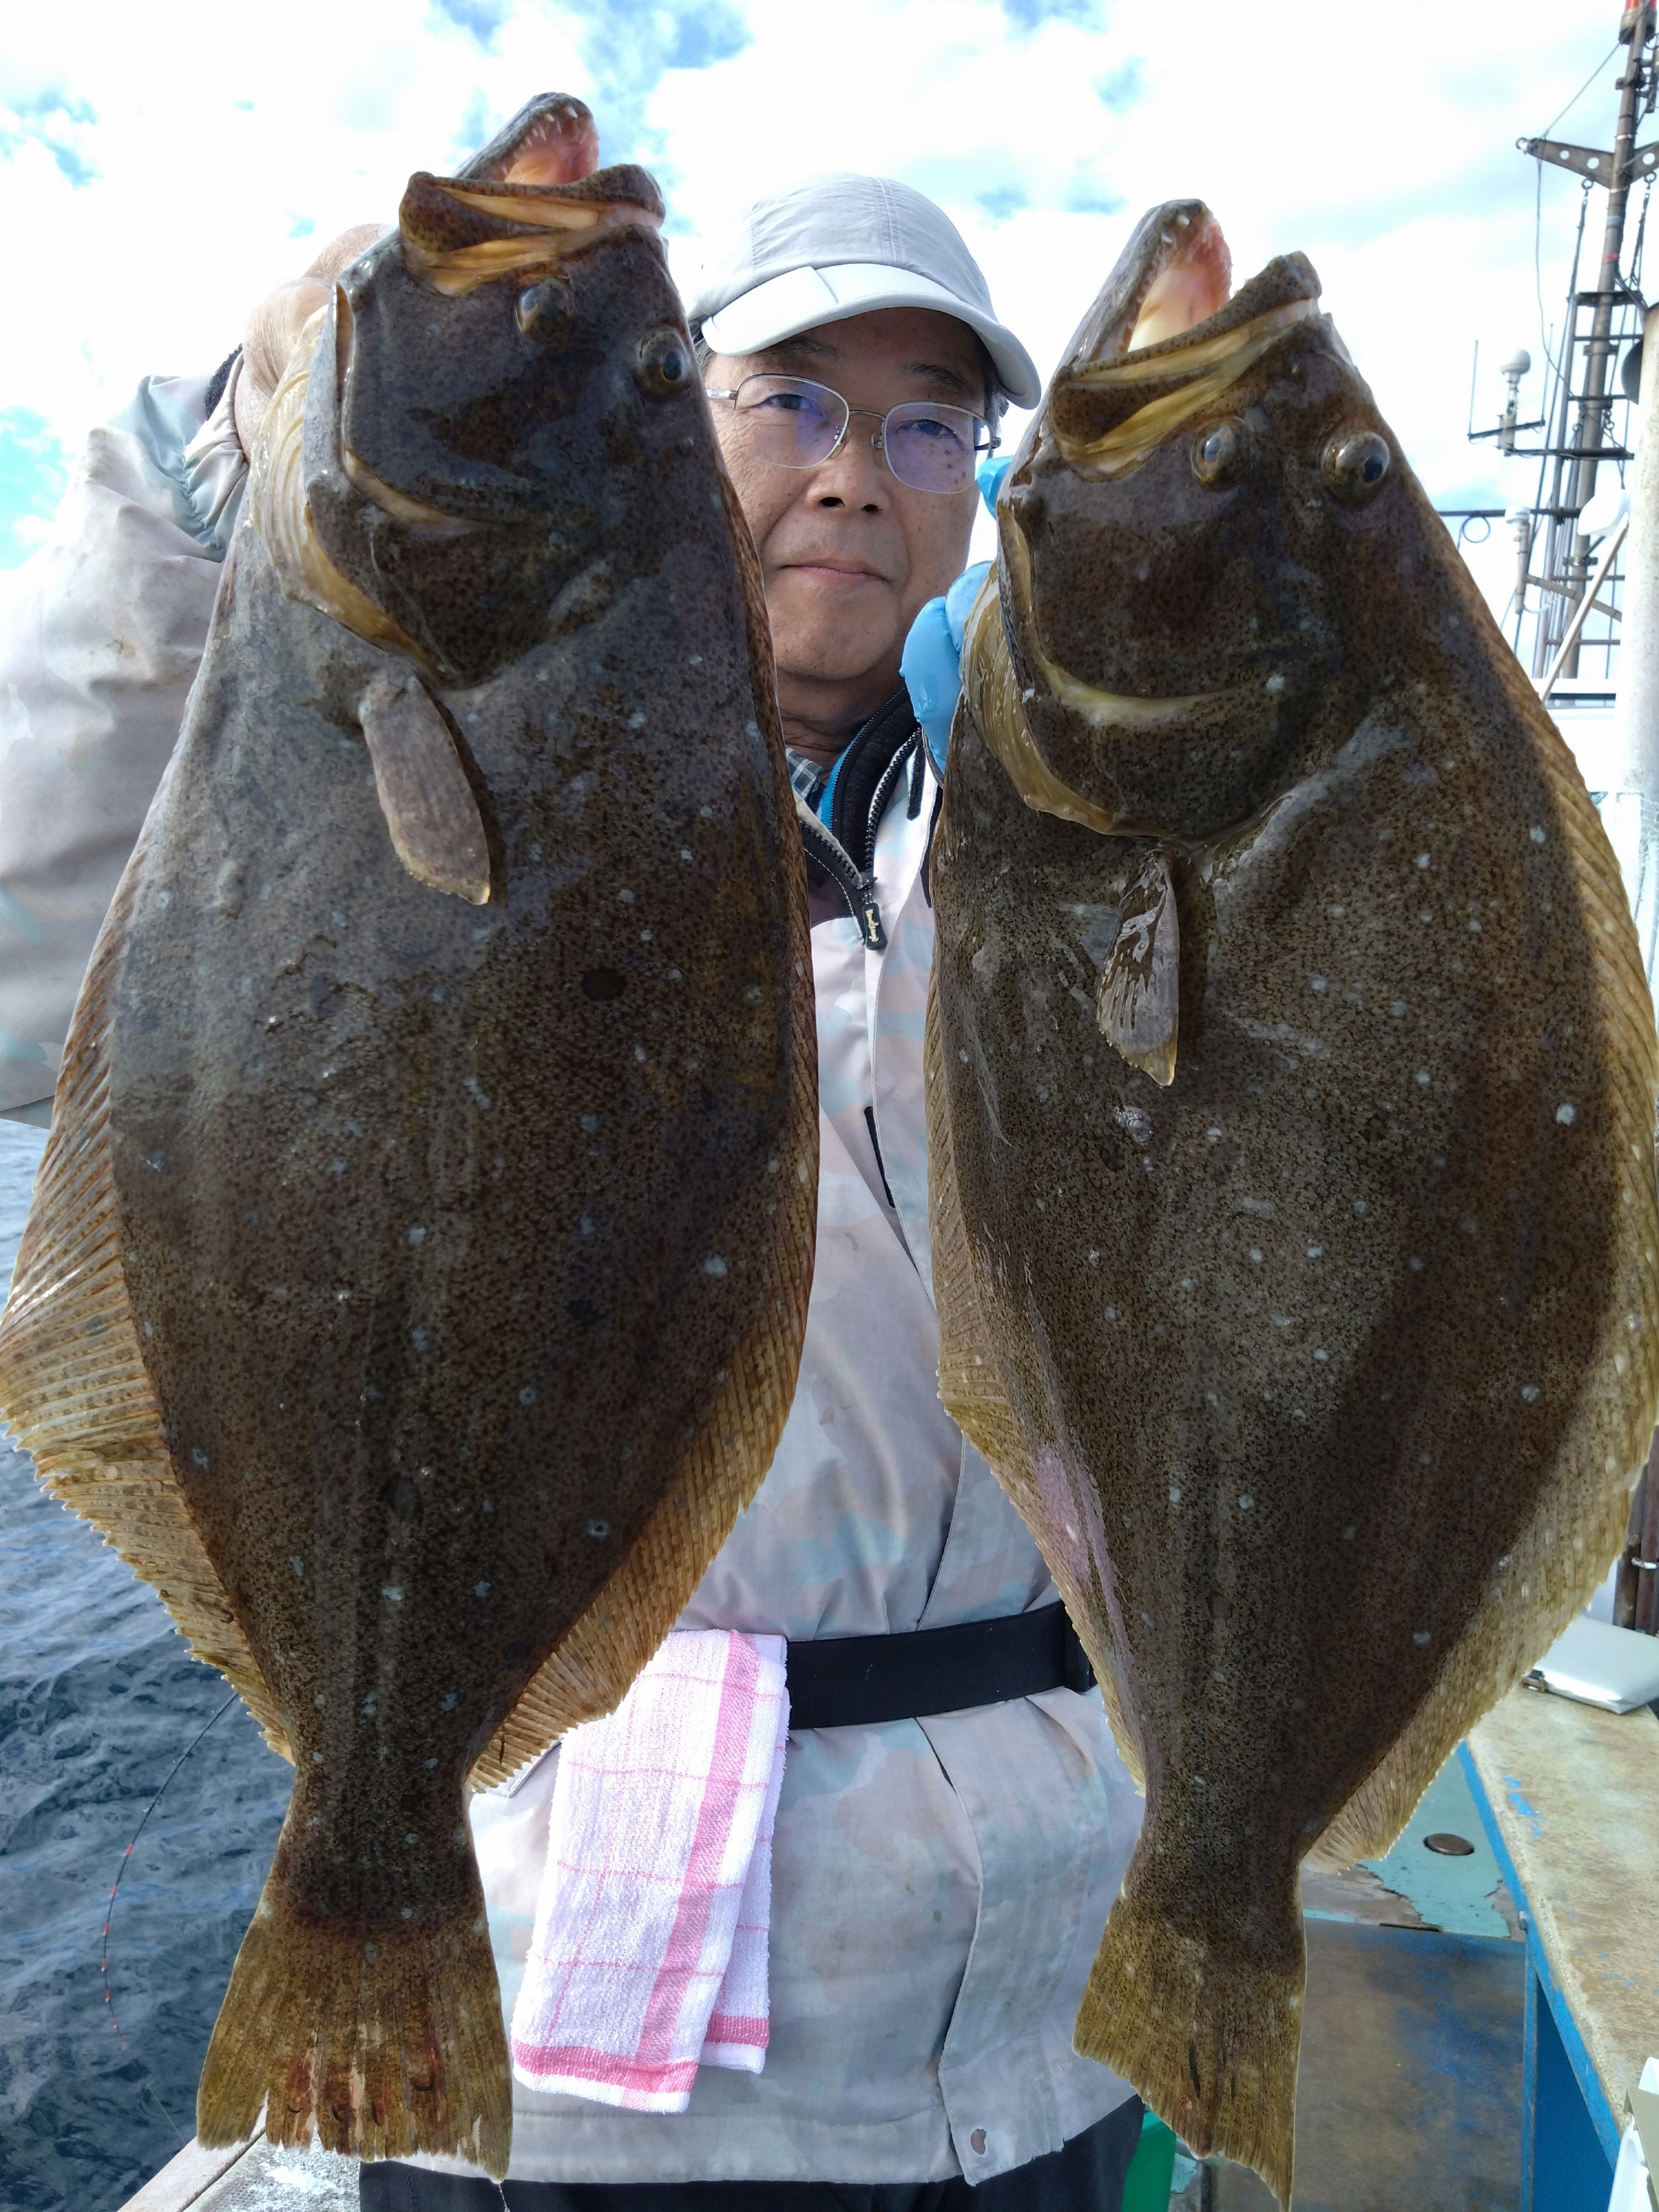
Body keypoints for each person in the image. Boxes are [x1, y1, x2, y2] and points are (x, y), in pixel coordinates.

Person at [0, 163, 1150, 2209]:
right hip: (600, 2032)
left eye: (928, 425)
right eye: (794, 397)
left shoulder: (1062, 845)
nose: (856, 472)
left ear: (977, 486)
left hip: (1044, 2015)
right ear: (681, 424)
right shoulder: (338, 704)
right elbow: (26, 963)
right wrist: (215, 468)